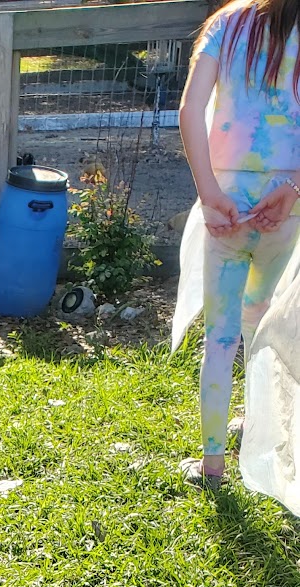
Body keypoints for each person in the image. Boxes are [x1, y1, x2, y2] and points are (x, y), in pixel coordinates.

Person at [175, 0, 300, 488]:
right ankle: (256, 426)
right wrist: (292, 190)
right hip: (283, 205)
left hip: (227, 199)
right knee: (260, 320)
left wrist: (209, 194)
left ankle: (212, 466)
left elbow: (190, 110)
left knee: (221, 337)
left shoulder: (226, 23)